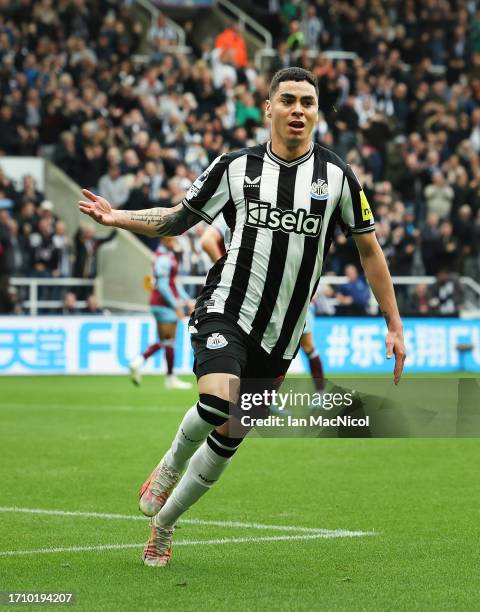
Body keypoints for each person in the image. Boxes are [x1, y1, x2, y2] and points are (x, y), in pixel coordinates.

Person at [79, 67, 406, 568]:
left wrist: (394, 323)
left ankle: (164, 526)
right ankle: (168, 465)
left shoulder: (337, 177)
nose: (299, 110)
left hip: (284, 335)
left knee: (232, 434)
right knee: (219, 401)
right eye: (289, 100)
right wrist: (117, 217)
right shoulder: (236, 168)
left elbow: (370, 250)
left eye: (308, 103)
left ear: (317, 113)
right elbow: (177, 218)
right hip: (227, 309)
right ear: (269, 107)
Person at [201, 216, 324, 390]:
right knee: (282, 351)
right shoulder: (247, 206)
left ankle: (260, 401)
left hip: (270, 295)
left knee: (267, 351)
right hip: (272, 295)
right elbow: (207, 241)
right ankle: (260, 401)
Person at [129, 236, 194, 389]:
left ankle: (164, 374)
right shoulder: (164, 259)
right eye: (172, 240)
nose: (175, 243)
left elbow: (172, 283)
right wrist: (176, 305)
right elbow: (164, 286)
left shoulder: (163, 256)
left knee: (166, 340)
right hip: (164, 304)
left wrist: (186, 299)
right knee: (168, 341)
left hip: (157, 303)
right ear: (164, 240)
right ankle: (143, 363)